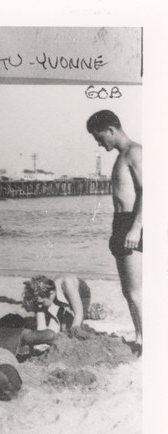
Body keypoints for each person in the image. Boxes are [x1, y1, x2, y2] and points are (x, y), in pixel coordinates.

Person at [86, 110, 142, 355]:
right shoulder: (122, 155)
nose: (99, 143)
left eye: (99, 137)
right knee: (128, 290)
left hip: (133, 222)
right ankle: (140, 336)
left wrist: (136, 228)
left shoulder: (135, 152)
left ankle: (144, 341)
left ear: (111, 130)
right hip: (122, 222)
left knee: (135, 291)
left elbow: (147, 191)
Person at [22, 274, 105, 338]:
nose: (39, 306)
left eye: (41, 303)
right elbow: (41, 327)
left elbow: (78, 314)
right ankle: (70, 309)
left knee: (73, 326)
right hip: (58, 295)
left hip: (81, 293)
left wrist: (71, 337)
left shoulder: (67, 284)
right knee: (57, 327)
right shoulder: (43, 293)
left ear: (51, 295)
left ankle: (89, 311)